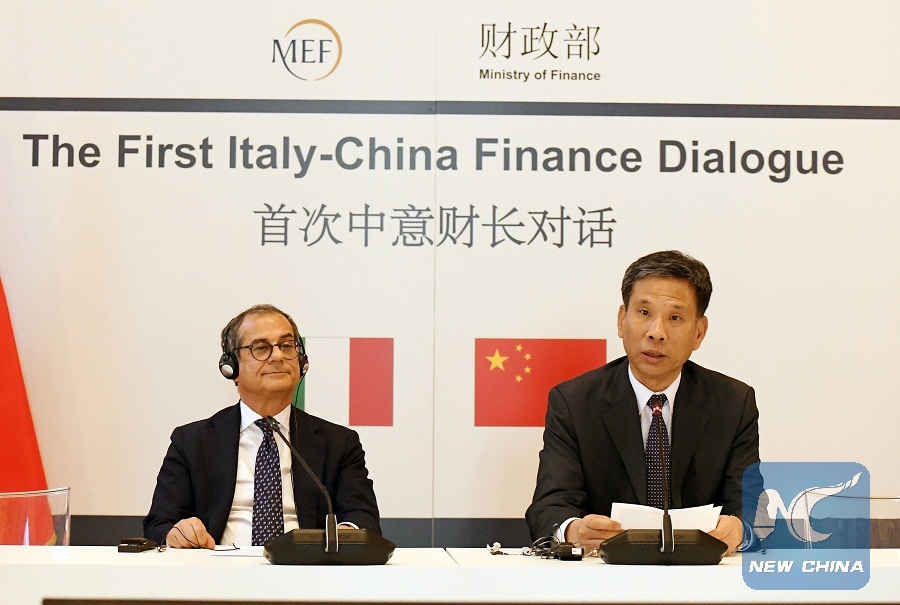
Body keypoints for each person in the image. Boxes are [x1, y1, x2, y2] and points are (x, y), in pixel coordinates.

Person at [525, 250, 759, 555]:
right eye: (644, 313)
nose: (656, 333)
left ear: (699, 332)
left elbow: (750, 507)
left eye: (675, 317)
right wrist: (574, 530)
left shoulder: (732, 403)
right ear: (622, 320)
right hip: (604, 574)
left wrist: (739, 529)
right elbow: (549, 506)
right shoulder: (574, 402)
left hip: (700, 574)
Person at [143, 304, 381, 548]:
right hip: (219, 565)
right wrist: (177, 533)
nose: (278, 356)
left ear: (301, 361)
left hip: (306, 567)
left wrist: (346, 534)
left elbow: (363, 517)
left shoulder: (339, 443)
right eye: (261, 348)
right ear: (231, 367)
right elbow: (159, 524)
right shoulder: (192, 442)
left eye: (287, 346)